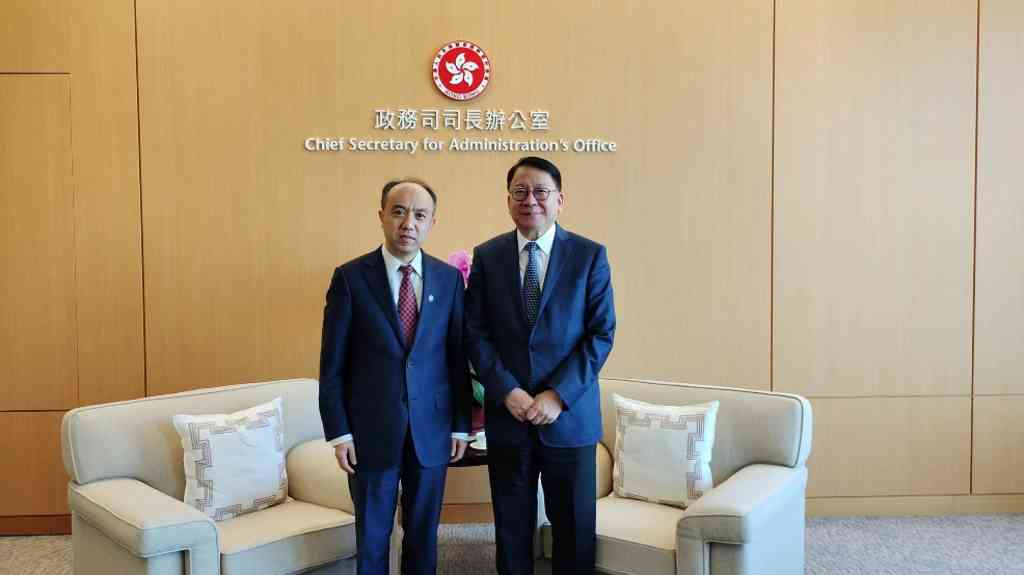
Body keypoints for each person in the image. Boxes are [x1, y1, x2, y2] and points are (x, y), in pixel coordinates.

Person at [465, 157, 616, 574]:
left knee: (574, 531)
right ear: (508, 200)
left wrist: (557, 396)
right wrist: (506, 390)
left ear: (559, 200)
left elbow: (601, 334)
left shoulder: (589, 256)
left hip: (569, 419)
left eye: (540, 191)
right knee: (511, 532)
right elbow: (475, 332)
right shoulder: (488, 256)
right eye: (520, 192)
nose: (529, 200)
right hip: (509, 417)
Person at [319, 178, 473, 575]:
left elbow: (457, 359)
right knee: (372, 537)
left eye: (420, 215)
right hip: (369, 432)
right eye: (399, 212)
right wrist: (340, 433)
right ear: (382, 216)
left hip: (432, 430)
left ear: (432, 222)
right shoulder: (350, 279)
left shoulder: (448, 280)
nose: (408, 224)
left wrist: (461, 425)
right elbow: (332, 365)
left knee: (423, 535)